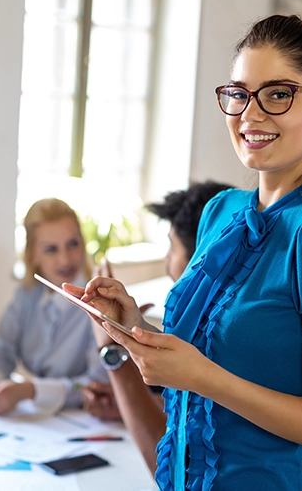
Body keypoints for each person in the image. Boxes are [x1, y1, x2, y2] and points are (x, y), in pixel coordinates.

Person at [66, 15, 302, 489]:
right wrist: (131, 325)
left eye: (279, 94)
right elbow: (213, 355)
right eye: (239, 94)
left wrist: (204, 378)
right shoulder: (220, 212)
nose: (250, 116)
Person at [82, 180, 234, 420]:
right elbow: (184, 400)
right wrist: (142, 402)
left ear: (201, 259)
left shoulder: (221, 342)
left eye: (172, 248)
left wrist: (111, 347)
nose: (167, 259)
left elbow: (162, 449)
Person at [0, 198, 108, 415]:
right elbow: (2, 348)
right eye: (51, 249)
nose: (65, 259)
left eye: (72, 244)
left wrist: (30, 391)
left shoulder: (101, 304)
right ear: (32, 254)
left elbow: (100, 382)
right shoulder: (28, 295)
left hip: (86, 419)